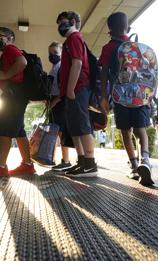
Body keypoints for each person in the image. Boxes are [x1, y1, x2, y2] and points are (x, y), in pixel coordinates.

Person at [99, 12, 153, 185]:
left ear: (109, 31)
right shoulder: (138, 47)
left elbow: (104, 73)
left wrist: (103, 96)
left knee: (125, 130)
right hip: (139, 94)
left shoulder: (108, 48)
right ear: (128, 28)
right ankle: (145, 159)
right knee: (141, 129)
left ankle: (134, 166)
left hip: (120, 95)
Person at [0, 27, 35, 178]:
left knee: (5, 128)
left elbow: (22, 62)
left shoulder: (10, 48)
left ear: (9, 37)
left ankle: (1, 166)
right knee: (18, 131)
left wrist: (6, 75)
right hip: (17, 94)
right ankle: (27, 164)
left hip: (13, 94)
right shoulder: (8, 51)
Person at [56, 11, 97, 178]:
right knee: (74, 127)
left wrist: (71, 89)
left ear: (73, 21)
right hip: (72, 90)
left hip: (78, 87)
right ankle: (82, 161)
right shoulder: (69, 41)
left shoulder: (75, 38)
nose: (59, 26)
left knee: (82, 125)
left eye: (62, 21)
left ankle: (90, 163)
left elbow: (77, 63)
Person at [47, 41, 72, 171]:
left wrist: (54, 102)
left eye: (55, 53)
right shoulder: (54, 67)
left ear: (62, 53)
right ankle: (52, 158)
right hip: (54, 102)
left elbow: (63, 89)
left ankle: (66, 161)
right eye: (50, 53)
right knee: (56, 132)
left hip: (59, 103)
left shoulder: (61, 67)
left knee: (61, 132)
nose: (52, 55)